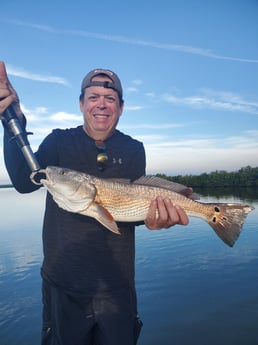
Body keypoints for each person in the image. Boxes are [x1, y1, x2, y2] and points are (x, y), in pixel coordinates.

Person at [0, 61, 189, 345]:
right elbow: (25, 181)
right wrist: (11, 119)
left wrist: (155, 219)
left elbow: (133, 209)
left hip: (118, 289)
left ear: (121, 108)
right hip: (63, 286)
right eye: (94, 97)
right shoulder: (59, 141)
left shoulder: (134, 149)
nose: (101, 104)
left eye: (110, 98)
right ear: (81, 104)